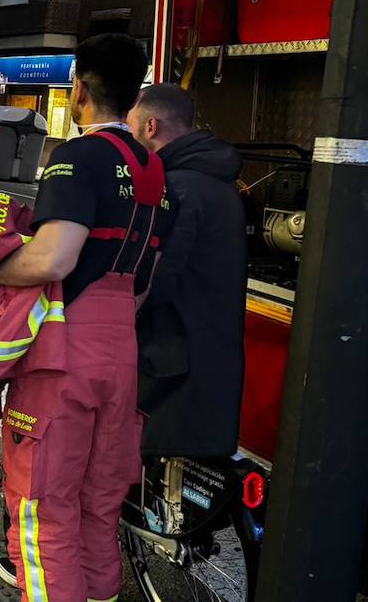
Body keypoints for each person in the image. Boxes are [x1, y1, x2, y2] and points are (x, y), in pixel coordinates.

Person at [0, 34, 169, 602]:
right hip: (120, 347)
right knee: (99, 509)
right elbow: (145, 277)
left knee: (43, 511)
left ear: (79, 89)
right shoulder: (152, 170)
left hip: (64, 353)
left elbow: (53, 257)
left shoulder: (76, 158)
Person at [128, 83, 246, 457]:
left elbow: (156, 277)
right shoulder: (214, 181)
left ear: (150, 127)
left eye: (131, 127)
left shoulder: (177, 187)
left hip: (172, 362)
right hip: (204, 354)